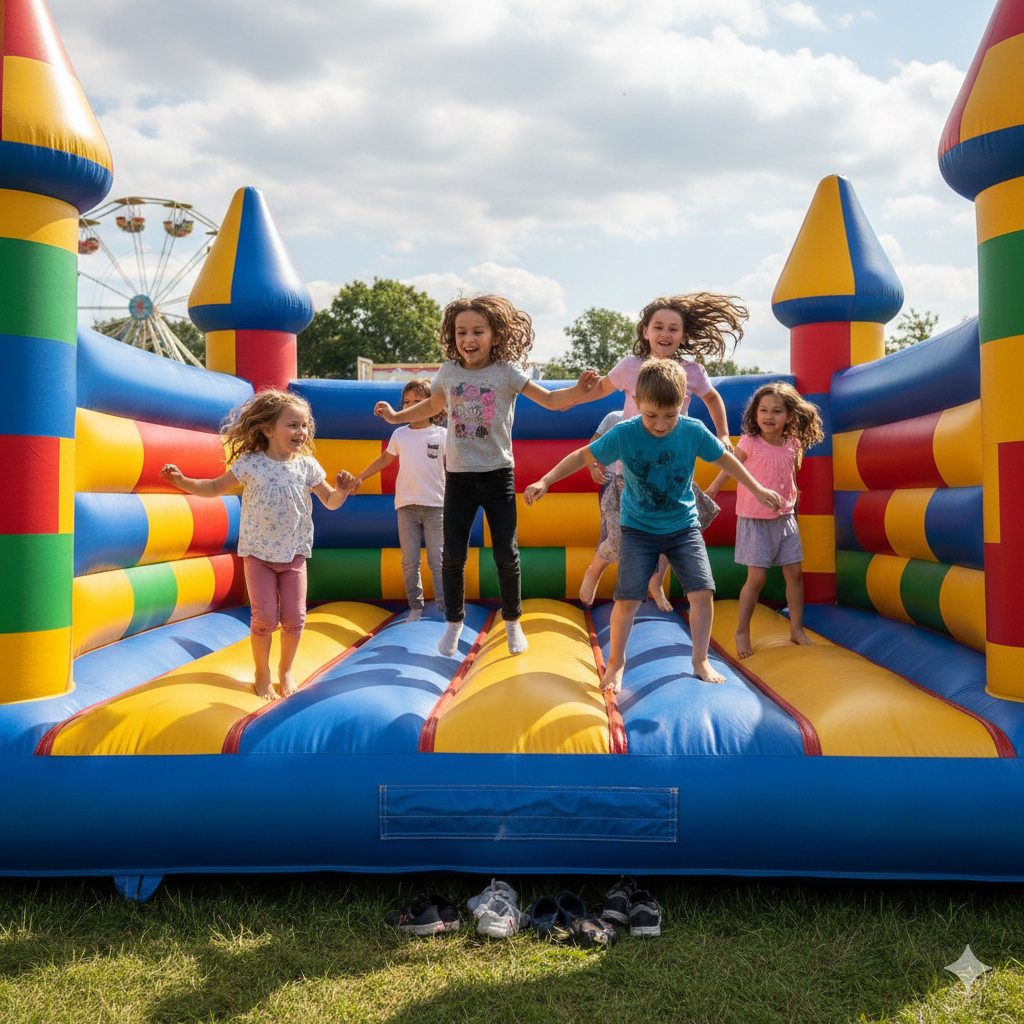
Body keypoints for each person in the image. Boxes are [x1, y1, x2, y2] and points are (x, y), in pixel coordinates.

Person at [524, 360, 781, 693]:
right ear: (637, 403)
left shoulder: (691, 430)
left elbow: (725, 459)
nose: (661, 425)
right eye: (651, 415)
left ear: (682, 404)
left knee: (702, 592)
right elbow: (582, 456)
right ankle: (616, 664)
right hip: (638, 528)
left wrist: (757, 489)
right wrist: (545, 480)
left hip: (683, 526)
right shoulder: (625, 432)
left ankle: (700, 660)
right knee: (628, 600)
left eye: (670, 415)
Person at [374, 295, 599, 658]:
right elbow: (432, 405)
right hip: (459, 478)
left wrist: (579, 390)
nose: (469, 338)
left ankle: (512, 622)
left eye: (478, 331)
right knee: (452, 556)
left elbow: (551, 401)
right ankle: (453, 623)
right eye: (461, 331)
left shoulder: (507, 372)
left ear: (495, 335)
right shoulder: (449, 372)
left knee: (506, 554)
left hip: (497, 476)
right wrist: (395, 417)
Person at [160, 389, 354, 701]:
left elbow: (330, 502)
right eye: (292, 425)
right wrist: (183, 481)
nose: (301, 431)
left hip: (293, 554)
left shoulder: (307, 466)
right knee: (264, 619)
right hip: (258, 555)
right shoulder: (251, 464)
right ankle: (262, 673)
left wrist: (341, 491)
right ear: (267, 430)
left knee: (295, 618)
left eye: (305, 425)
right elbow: (213, 487)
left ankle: (285, 670)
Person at [705, 382, 824, 659]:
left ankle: (796, 629)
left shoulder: (793, 444)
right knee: (757, 577)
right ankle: (742, 631)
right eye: (763, 410)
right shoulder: (750, 442)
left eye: (777, 411)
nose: (769, 416)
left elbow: (790, 479)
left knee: (794, 573)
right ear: (755, 413)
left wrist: (793, 508)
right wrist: (712, 489)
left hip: (785, 519)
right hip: (754, 519)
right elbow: (730, 465)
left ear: (789, 416)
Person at [348, 379, 446, 622]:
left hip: (435, 505)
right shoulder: (400, 434)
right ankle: (416, 606)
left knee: (438, 560)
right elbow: (385, 459)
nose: (410, 407)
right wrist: (361, 477)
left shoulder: (442, 435)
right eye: (406, 402)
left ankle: (445, 607)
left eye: (417, 402)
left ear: (431, 405)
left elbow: (459, 462)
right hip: (406, 505)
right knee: (409, 561)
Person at [579, 409, 673, 610]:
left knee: (669, 534)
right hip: (614, 482)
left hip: (650, 485)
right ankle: (595, 570)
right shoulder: (615, 418)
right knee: (615, 538)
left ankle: (655, 582)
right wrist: (593, 466)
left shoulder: (663, 420)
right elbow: (593, 444)